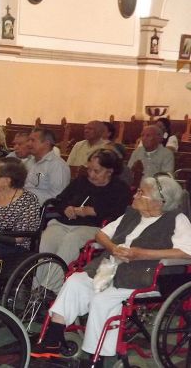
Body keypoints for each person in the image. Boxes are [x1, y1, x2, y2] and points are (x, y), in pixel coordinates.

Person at [32, 175, 191, 365]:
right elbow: (101, 234)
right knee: (75, 282)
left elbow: (187, 252)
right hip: (110, 269)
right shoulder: (131, 213)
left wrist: (143, 254)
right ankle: (53, 340)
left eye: (141, 193)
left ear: (160, 202)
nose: (135, 194)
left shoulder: (177, 220)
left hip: (144, 276)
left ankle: (96, 356)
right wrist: (113, 248)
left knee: (103, 299)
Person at [38, 149, 131, 292]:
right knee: (46, 240)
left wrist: (94, 211)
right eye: (89, 170)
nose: (91, 175)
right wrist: (66, 208)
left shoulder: (119, 188)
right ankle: (36, 285)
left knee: (71, 241)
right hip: (64, 223)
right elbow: (59, 200)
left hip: (93, 228)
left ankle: (48, 289)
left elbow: (119, 214)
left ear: (110, 171)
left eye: (96, 171)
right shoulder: (81, 181)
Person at [24, 128, 70, 204]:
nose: (28, 144)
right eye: (28, 140)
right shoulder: (29, 161)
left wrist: (27, 199)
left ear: (46, 143)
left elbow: (57, 196)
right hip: (23, 204)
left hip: (41, 209)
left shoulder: (57, 165)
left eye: (33, 140)